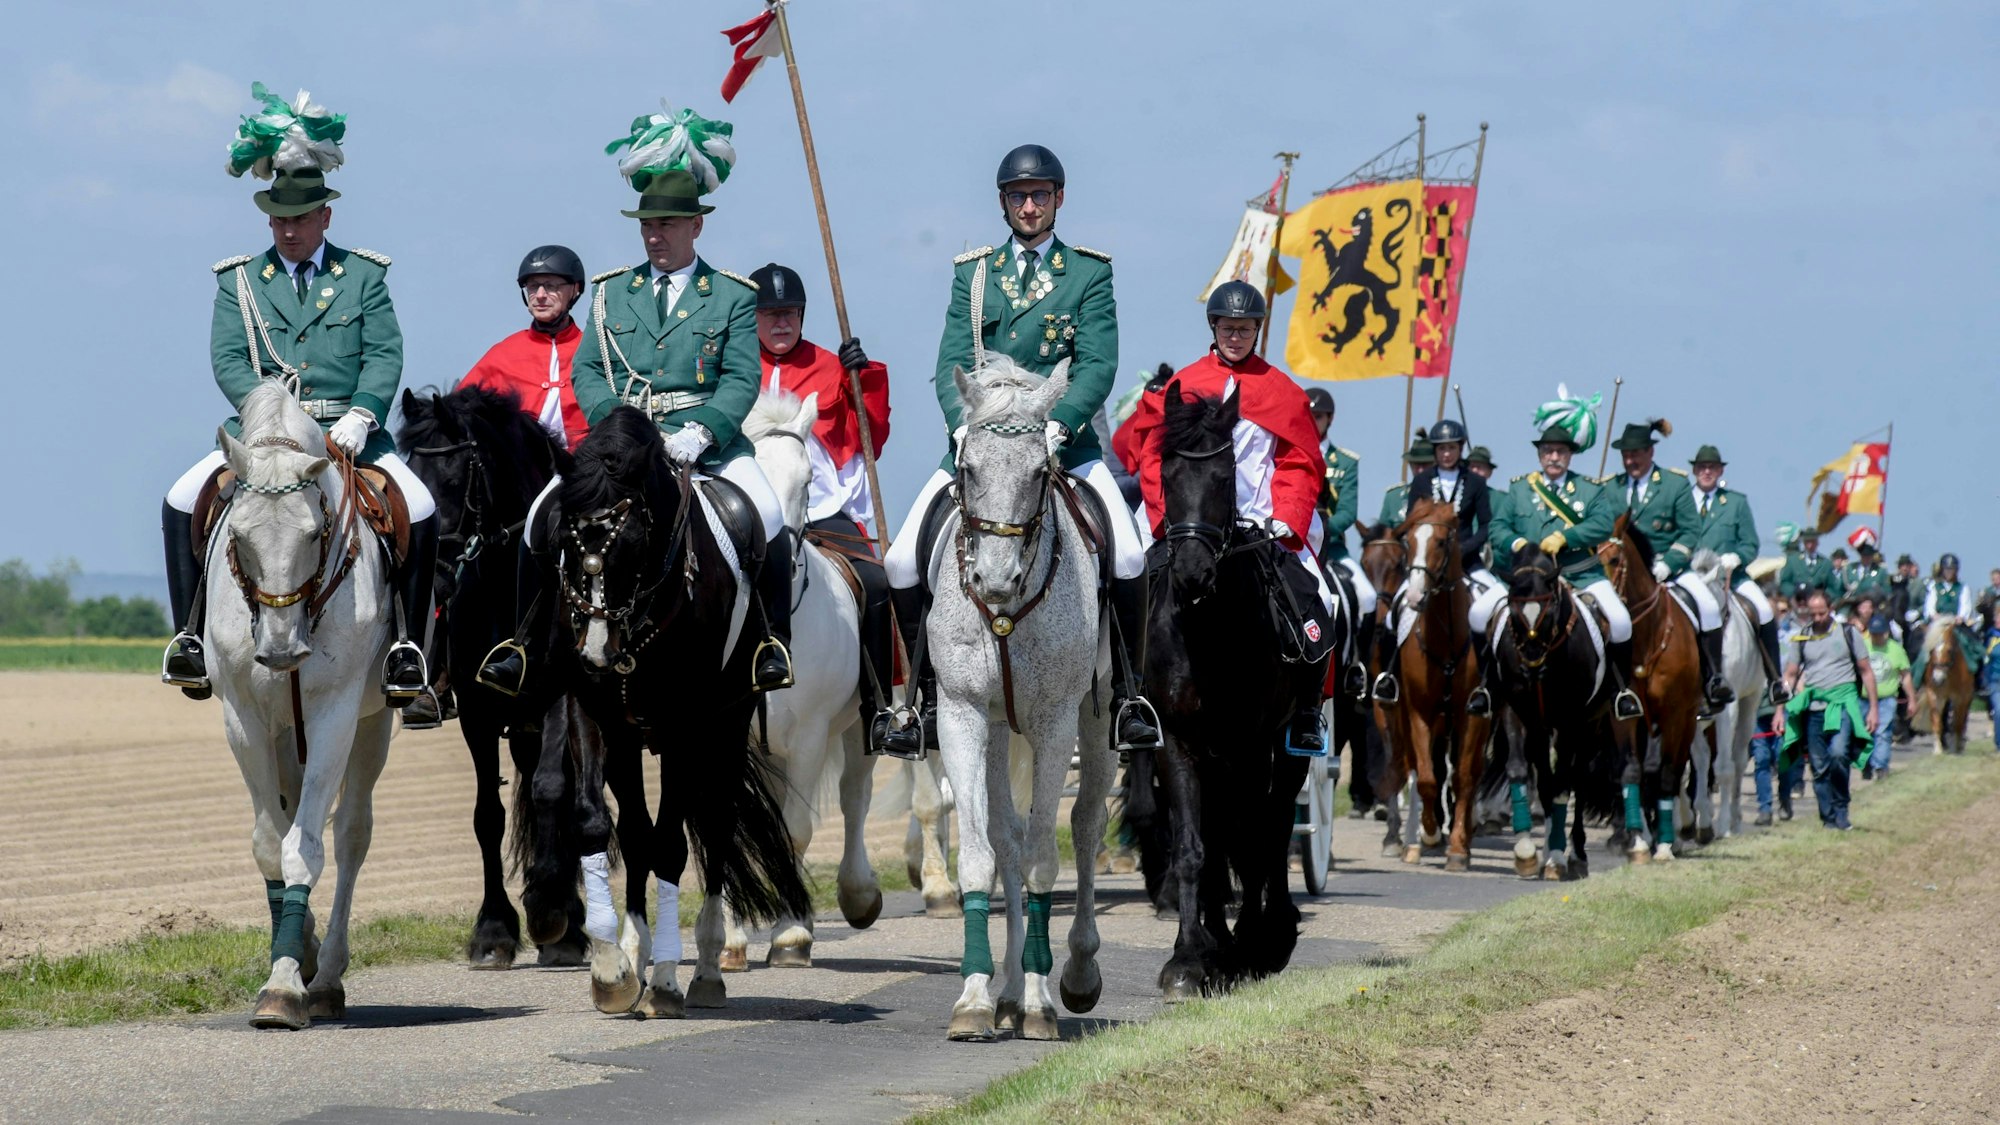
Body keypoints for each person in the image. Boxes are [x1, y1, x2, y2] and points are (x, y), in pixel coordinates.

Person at [488, 111, 793, 695]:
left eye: (668, 224)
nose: (656, 235)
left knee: (767, 515)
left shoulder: (730, 295)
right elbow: (587, 369)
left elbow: (740, 377)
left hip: (705, 446)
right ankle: (522, 644)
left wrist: (703, 430)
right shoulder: (610, 293)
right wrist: (618, 429)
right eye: (648, 224)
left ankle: (770, 642)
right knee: (541, 517)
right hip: (622, 448)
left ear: (696, 226)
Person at [163, 87, 436, 708]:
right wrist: (265, 419)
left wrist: (364, 414)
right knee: (179, 499)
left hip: (346, 432)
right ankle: (190, 638)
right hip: (262, 438)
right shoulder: (238, 282)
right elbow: (229, 359)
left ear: (325, 217)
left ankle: (408, 648)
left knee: (420, 507)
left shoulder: (363, 276)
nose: (290, 230)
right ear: (269, 220)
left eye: (302, 218)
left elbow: (384, 353)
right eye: (280, 220)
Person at [880, 144, 1155, 758]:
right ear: (1003, 203)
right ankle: (923, 701)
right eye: (1018, 196)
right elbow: (952, 362)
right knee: (899, 562)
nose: (1029, 206)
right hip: (983, 445)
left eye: (1039, 195)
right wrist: (961, 425)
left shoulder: (1087, 273)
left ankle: (1129, 697)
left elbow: (1097, 363)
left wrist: (1059, 424)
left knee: (1130, 555)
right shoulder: (974, 274)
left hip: (1064, 445)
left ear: (1059, 199)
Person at [1118, 280, 1336, 750]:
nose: (1235, 337)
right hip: (1189, 522)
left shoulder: (1283, 392)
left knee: (1321, 596)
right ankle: (1129, 698)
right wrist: (1166, 517)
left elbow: (1301, 461)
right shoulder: (1183, 385)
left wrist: (1288, 513)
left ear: (1257, 330)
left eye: (1245, 329)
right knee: (1130, 575)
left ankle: (1307, 710)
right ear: (1213, 327)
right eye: (1227, 328)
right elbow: (1153, 454)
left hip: (1262, 522)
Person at [745, 261, 899, 754]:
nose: (781, 322)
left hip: (822, 508)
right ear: (753, 318)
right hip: (751, 511)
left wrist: (862, 379)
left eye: (790, 313)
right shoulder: (736, 366)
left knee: (876, 582)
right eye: (770, 314)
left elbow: (872, 437)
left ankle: (879, 709)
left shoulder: (831, 367)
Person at [1473, 422, 1643, 720]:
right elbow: (1498, 527)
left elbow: (1603, 524)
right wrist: (1517, 543)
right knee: (1477, 613)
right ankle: (1487, 687)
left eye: (1560, 451)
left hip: (1579, 574)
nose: (1554, 457)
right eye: (1548, 451)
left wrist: (1566, 537)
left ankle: (1620, 691)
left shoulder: (1589, 490)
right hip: (1526, 579)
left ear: (1569, 455)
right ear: (1540, 455)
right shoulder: (1520, 489)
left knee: (1620, 621)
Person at [1605, 418, 1733, 711]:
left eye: (1636, 453)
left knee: (1708, 607)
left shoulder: (1674, 484)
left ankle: (1712, 679)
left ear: (1650, 452)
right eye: (1626, 454)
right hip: (1623, 571)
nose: (1630, 460)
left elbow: (1690, 531)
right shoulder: (1610, 487)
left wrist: (1670, 562)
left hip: (1668, 567)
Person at [1371, 419, 1491, 703]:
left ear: (1460, 449)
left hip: (1467, 563)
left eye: (1451, 448)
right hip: (1427, 565)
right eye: (1441, 449)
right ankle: (1389, 677)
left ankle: (1487, 684)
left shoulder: (1475, 482)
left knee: (1495, 608)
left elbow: (1486, 525)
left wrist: (1462, 550)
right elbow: (1411, 524)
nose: (1446, 454)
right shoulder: (1422, 481)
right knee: (1394, 612)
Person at [458, 245, 591, 450]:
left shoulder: (595, 348)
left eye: (550, 286)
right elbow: (458, 411)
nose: (540, 295)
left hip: (588, 461)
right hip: (520, 463)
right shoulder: (503, 353)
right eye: (533, 286)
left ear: (575, 289)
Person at [1772, 589, 1879, 830]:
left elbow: (1866, 671)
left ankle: (1841, 809)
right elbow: (1789, 675)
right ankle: (1828, 817)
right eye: (1813, 614)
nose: (1817, 618)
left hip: (1842, 705)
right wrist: (1780, 711)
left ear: (1831, 610)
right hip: (1814, 708)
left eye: (1822, 613)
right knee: (1818, 765)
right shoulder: (1802, 637)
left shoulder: (1848, 633)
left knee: (1839, 754)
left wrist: (1873, 708)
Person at [1685, 445, 1785, 700]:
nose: (1707, 472)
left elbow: (1750, 543)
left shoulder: (1736, 502)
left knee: (1764, 610)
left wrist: (1737, 557)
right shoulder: (1682, 501)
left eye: (1712, 468)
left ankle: (1775, 680)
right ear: (1695, 470)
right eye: (1702, 467)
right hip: (1690, 576)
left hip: (1731, 575)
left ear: (1720, 471)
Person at [1302, 386, 1378, 648]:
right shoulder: (1286, 454)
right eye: (1309, 416)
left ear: (1330, 419)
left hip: (1332, 547)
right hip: (1295, 544)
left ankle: (1359, 663)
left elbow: (1347, 512)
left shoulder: (1345, 462)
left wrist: (1319, 531)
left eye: (1318, 417)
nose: (1313, 422)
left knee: (1368, 598)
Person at [1858, 611, 1913, 780]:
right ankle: (1867, 762)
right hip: (1864, 698)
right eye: (1873, 634)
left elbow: (1905, 676)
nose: (1876, 637)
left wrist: (1912, 699)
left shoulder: (1896, 650)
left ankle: (1881, 766)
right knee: (1865, 732)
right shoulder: (1862, 646)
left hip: (1887, 698)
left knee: (1882, 732)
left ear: (1886, 633)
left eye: (1879, 634)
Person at [1376, 436, 1434, 527]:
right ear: (1410, 465)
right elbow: (1382, 532)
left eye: (1425, 465)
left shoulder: (1446, 496)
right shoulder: (1393, 497)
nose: (1420, 470)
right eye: (1416, 465)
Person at [1777, 528, 1841, 601]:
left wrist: (1824, 597)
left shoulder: (1825, 563)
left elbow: (1832, 587)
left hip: (1818, 602)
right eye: (1807, 542)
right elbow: (1785, 582)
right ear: (1803, 543)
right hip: (1798, 601)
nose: (1810, 546)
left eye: (1812, 542)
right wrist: (1794, 593)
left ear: (1817, 542)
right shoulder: (1793, 561)